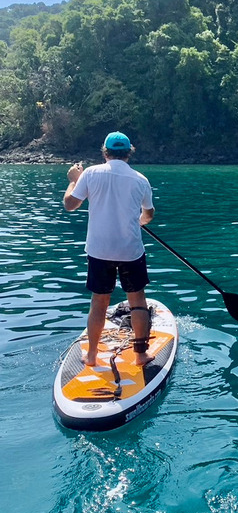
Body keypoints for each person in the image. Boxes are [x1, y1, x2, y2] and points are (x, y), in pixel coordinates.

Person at [63, 131, 155, 367]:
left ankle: (92, 356)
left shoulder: (90, 173)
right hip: (130, 250)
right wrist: (140, 221)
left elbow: (70, 205)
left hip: (99, 251)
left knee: (99, 302)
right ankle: (140, 355)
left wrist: (74, 179)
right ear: (129, 152)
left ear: (105, 152)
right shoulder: (140, 179)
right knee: (137, 301)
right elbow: (149, 214)